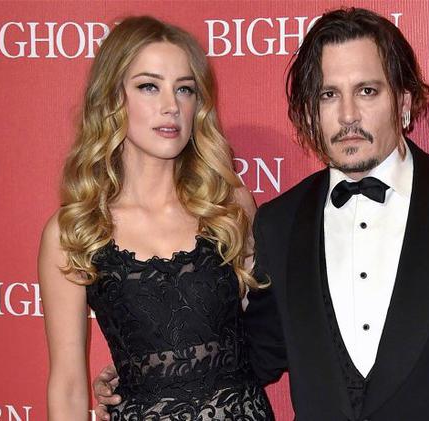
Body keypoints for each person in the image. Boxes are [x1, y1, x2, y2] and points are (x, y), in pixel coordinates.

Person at [95, 7, 429, 421]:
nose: (347, 115)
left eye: (367, 91)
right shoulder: (279, 222)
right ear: (309, 112)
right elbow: (253, 354)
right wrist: (148, 366)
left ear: (403, 101)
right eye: (328, 95)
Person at [38, 16, 275, 421]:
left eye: (184, 89)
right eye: (149, 86)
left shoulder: (229, 206)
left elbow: (265, 335)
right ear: (112, 98)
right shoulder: (75, 231)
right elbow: (68, 386)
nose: (171, 106)